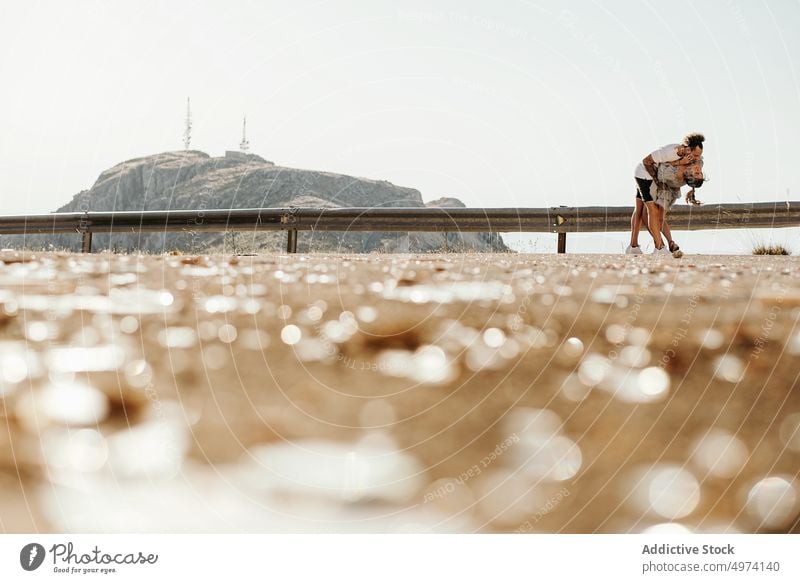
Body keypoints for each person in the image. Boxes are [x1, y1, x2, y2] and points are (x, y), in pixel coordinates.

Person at [627, 133, 705, 257]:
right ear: (688, 149)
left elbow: (697, 164)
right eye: (695, 155)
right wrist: (658, 182)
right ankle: (659, 248)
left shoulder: (691, 159)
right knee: (652, 211)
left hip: (649, 176)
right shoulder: (671, 152)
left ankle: (633, 246)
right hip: (645, 175)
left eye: (699, 155)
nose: (697, 158)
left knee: (640, 210)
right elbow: (646, 162)